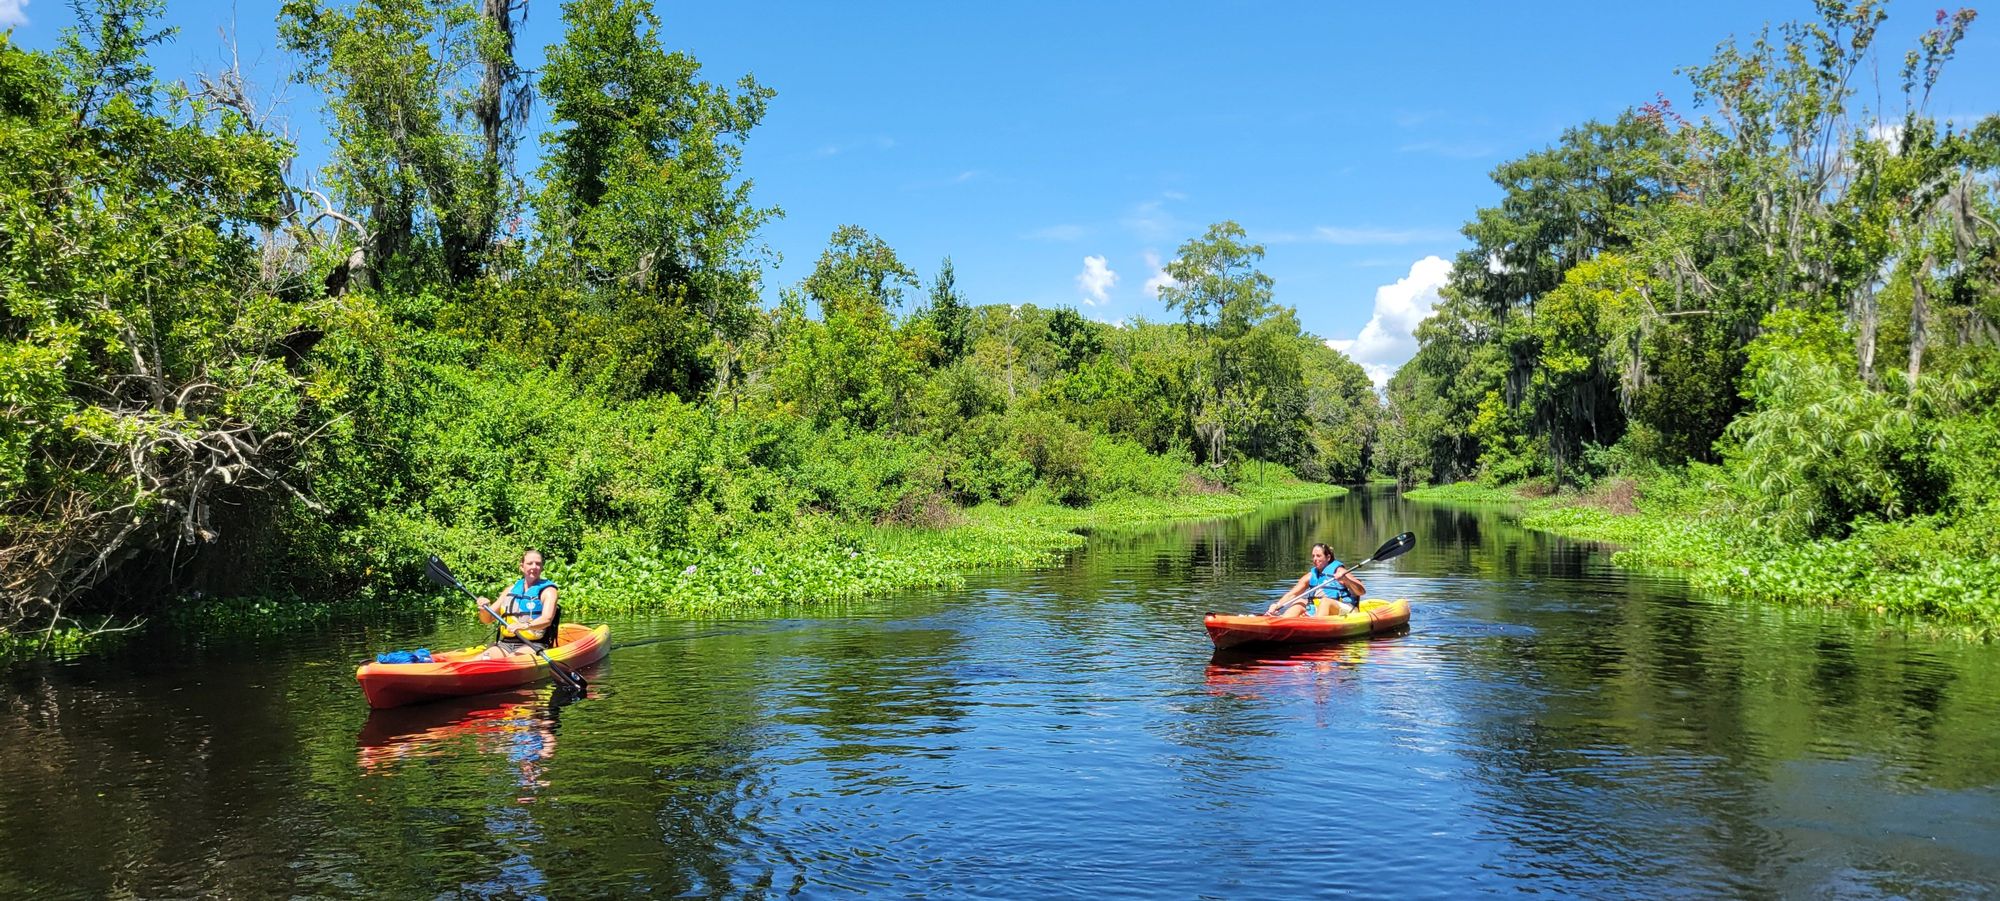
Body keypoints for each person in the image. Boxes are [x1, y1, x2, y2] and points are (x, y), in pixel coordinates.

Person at [475, 549, 562, 659]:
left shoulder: (548, 591)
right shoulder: (510, 590)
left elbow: (547, 619)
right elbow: (487, 620)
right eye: (530, 563)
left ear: (542, 567)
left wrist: (524, 626)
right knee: (480, 660)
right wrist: (483, 609)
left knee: (512, 659)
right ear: (522, 567)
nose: (534, 567)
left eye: (538, 564)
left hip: (534, 644)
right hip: (506, 643)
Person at [1265, 542, 1365, 618]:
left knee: (1325, 602)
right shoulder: (1310, 576)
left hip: (1347, 610)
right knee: (1299, 602)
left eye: (1318, 556)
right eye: (1313, 556)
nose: (1315, 559)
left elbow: (1361, 591)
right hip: (1321, 608)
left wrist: (1346, 580)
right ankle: (1281, 622)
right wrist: (1277, 605)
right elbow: (1293, 594)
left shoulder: (1340, 572)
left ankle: (1315, 626)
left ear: (1328, 557)